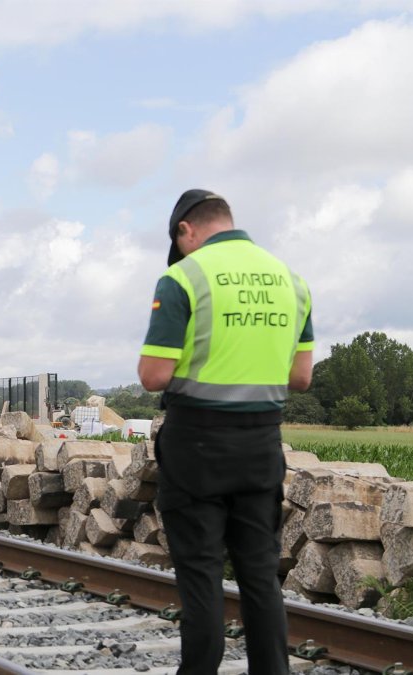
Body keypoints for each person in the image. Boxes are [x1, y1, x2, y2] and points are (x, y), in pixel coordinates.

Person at [138, 189, 313, 674]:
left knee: (202, 580)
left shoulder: (183, 277)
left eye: (182, 243)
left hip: (197, 445)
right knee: (260, 578)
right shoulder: (291, 281)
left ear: (185, 231)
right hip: (261, 446)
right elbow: (301, 377)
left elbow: (153, 376)